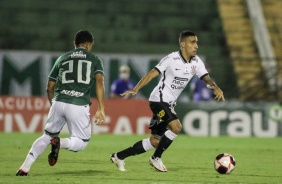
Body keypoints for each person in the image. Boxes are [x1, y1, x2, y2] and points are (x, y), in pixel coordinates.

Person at [110, 30, 225, 172]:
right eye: (192, 42)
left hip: (169, 103)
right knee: (176, 127)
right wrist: (135, 89)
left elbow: (206, 78)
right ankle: (155, 158)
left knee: (155, 141)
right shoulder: (171, 59)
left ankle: (118, 156)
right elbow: (151, 74)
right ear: (183, 44)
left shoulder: (196, 62)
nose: (196, 45)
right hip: (158, 100)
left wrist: (215, 87)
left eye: (197, 42)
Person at [16, 30, 106, 176]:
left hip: (58, 101)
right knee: (81, 142)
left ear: (74, 44)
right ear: (89, 45)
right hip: (78, 103)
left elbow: (49, 87)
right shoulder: (94, 59)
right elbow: (100, 83)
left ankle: (24, 168)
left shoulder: (62, 58)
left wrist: (54, 105)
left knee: (46, 136)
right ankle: (60, 143)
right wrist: (101, 108)